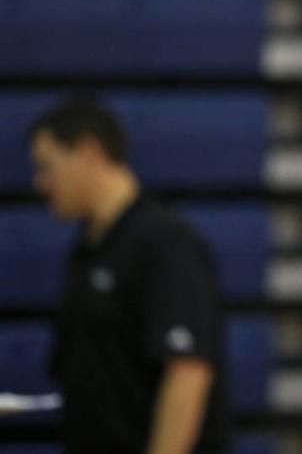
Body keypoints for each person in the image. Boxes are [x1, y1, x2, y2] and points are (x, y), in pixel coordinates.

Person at [28, 98, 228, 453]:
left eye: (47, 167)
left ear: (88, 152)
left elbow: (187, 372)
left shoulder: (165, 242)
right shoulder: (86, 250)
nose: (40, 183)